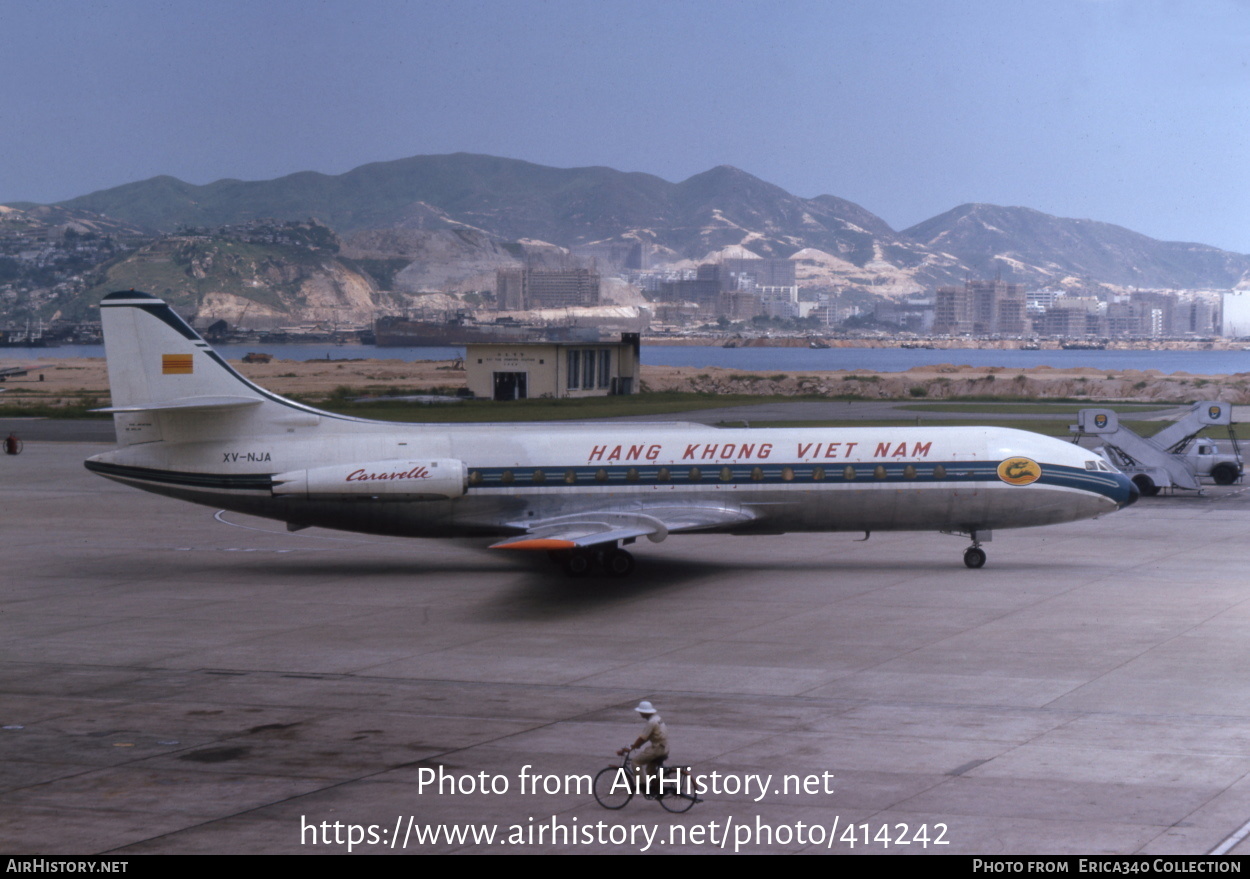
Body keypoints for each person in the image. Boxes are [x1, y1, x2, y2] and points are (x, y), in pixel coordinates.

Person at [617, 700, 669, 795]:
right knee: (650, 769)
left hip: (657, 749)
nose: (640, 713)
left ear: (645, 712)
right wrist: (634, 746)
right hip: (664, 748)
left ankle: (644, 786)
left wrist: (631, 748)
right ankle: (655, 787)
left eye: (641, 712)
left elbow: (642, 738)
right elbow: (646, 737)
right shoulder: (657, 718)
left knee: (635, 762)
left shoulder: (651, 723)